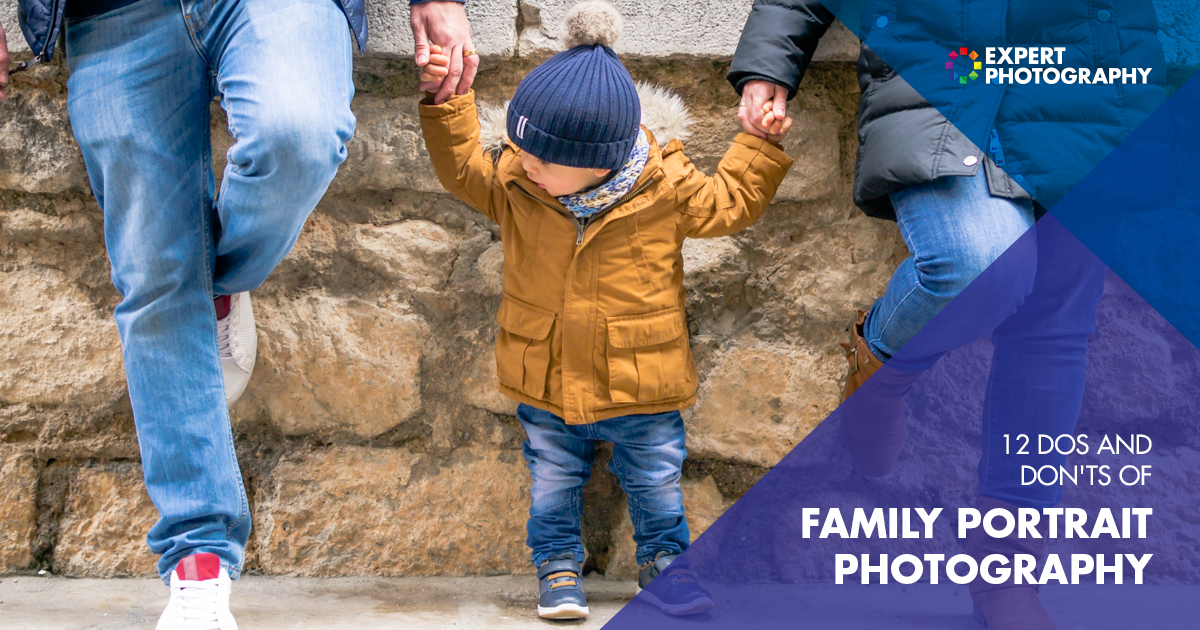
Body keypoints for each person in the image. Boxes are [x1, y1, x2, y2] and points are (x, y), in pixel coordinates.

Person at [1, 1, 476, 628]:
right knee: (153, 273)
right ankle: (197, 560)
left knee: (298, 134)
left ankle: (216, 286)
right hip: (113, 12)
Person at [728, 2, 1163, 628]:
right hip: (940, 68)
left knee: (1054, 332)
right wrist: (770, 62)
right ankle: (879, 363)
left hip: (1086, 70)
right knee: (975, 263)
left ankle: (1008, 575)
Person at [418, 0, 793, 619]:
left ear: (600, 160)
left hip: (641, 382)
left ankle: (667, 566)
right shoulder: (517, 183)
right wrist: (446, 102)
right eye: (518, 147)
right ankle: (557, 568)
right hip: (545, 377)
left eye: (540, 157)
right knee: (552, 481)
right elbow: (462, 166)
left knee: (655, 480)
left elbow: (730, 202)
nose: (523, 162)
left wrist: (755, 143)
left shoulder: (664, 187)